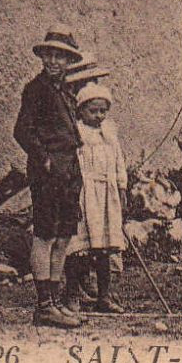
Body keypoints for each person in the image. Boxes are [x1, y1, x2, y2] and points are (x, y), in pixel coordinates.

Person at [14, 27, 87, 328]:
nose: (54, 61)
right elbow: (22, 131)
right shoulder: (36, 90)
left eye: (61, 56)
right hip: (48, 171)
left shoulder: (66, 91)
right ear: (43, 56)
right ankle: (44, 305)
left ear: (69, 61)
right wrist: (44, 159)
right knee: (45, 234)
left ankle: (55, 302)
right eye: (50, 54)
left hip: (69, 169)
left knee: (63, 236)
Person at [62, 83, 128, 314]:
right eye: (93, 111)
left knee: (104, 249)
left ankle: (104, 296)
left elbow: (119, 162)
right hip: (84, 194)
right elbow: (71, 165)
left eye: (103, 111)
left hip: (106, 197)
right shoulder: (77, 133)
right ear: (81, 111)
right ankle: (72, 294)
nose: (99, 116)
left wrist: (121, 188)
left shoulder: (109, 134)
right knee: (78, 247)